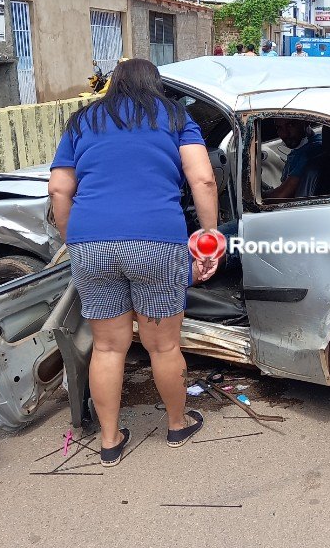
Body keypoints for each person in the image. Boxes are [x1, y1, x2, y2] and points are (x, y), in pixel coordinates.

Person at [48, 58, 218, 467]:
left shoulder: (83, 121)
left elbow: (58, 188)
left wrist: (75, 241)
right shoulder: (176, 116)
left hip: (92, 242)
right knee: (163, 346)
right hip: (155, 240)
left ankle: (109, 441)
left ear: (113, 85)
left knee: (108, 347)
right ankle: (177, 425)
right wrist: (208, 236)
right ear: (157, 86)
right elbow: (204, 179)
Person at [263, 118, 322, 200]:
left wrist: (259, 196)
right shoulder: (299, 150)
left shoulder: (311, 152)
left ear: (307, 121)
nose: (285, 134)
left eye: (290, 125)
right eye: (279, 128)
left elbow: (280, 196)